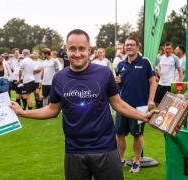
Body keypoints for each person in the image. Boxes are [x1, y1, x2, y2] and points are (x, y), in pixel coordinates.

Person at [9, 29, 158, 180]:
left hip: (105, 149)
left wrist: (144, 116)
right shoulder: (59, 78)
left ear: (89, 50)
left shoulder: (104, 73)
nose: (77, 53)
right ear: (66, 50)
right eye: (72, 49)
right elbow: (52, 110)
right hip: (74, 151)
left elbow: (118, 104)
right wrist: (23, 113)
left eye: (81, 49)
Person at [114, 36, 156, 173]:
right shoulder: (121, 64)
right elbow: (120, 86)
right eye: (127, 45)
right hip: (122, 106)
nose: (129, 47)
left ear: (138, 47)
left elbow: (152, 82)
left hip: (140, 106)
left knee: (137, 134)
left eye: (132, 45)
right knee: (119, 134)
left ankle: (137, 162)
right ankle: (121, 160)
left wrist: (151, 100)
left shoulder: (145, 62)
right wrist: (117, 82)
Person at [154, 42, 183, 106]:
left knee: (168, 104)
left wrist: (180, 82)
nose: (167, 50)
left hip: (169, 84)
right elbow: (158, 68)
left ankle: (166, 114)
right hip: (161, 83)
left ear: (172, 49)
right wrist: (157, 74)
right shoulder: (160, 57)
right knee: (156, 102)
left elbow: (180, 70)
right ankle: (161, 114)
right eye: (166, 49)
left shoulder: (175, 58)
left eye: (169, 49)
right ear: (164, 48)